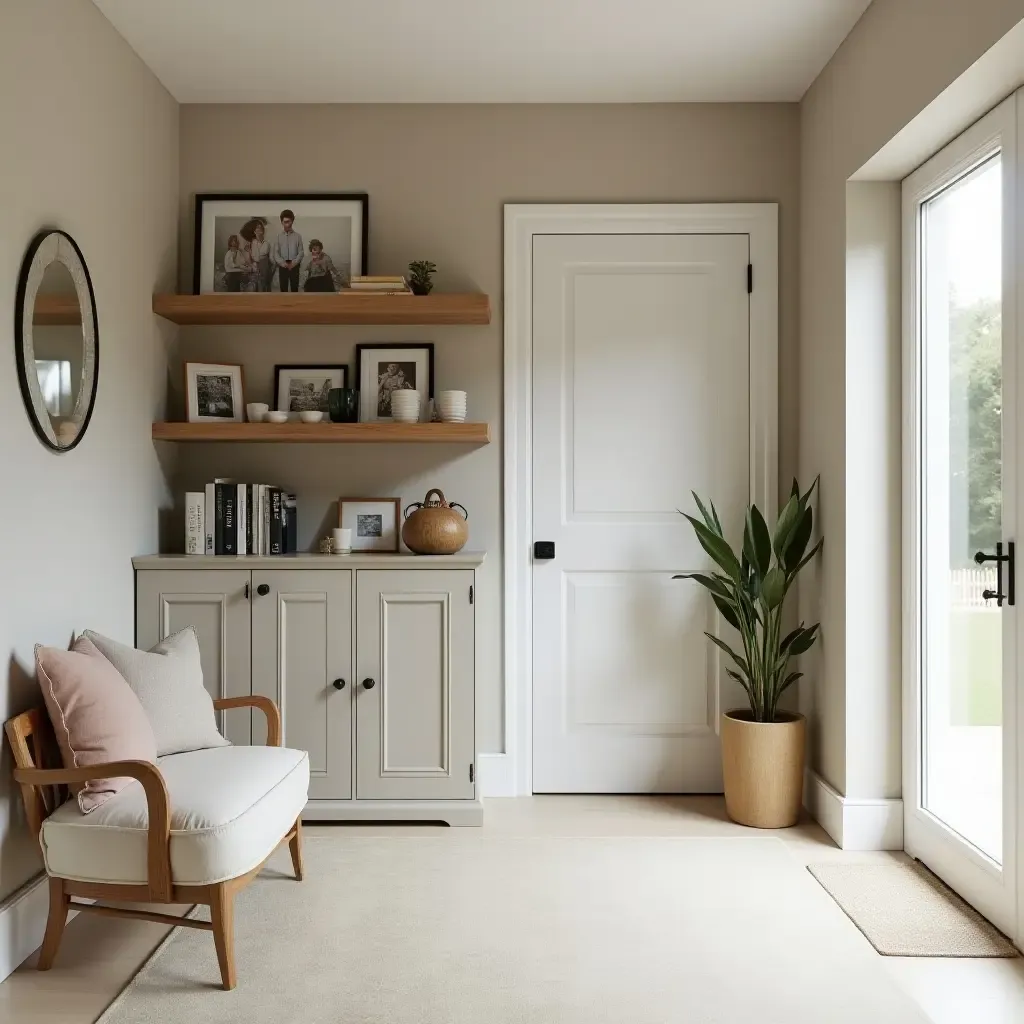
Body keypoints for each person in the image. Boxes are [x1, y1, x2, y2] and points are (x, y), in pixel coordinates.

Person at [274, 209, 304, 293]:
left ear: (292, 221)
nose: (287, 224)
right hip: (283, 266)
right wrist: (283, 263)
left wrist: (293, 263)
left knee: (295, 289)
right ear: (282, 222)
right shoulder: (278, 236)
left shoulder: (298, 236)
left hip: (295, 266)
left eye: (289, 221)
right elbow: (276, 253)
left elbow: (301, 252)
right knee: (283, 290)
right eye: (285, 222)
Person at [241, 218, 273, 292]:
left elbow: (268, 257)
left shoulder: (266, 243)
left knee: (266, 286)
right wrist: (250, 251)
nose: (260, 228)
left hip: (266, 267)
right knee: (258, 286)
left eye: (261, 226)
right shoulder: (253, 242)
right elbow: (255, 257)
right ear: (254, 231)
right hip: (257, 267)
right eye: (258, 227)